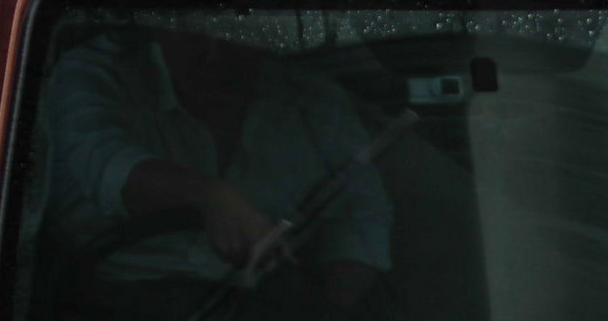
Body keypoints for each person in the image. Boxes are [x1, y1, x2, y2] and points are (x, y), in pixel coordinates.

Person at [35, 26, 393, 314]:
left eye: (232, 35)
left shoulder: (313, 101)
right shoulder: (96, 73)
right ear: (159, 25)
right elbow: (100, 161)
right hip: (113, 299)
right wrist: (209, 197)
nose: (213, 57)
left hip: (265, 303)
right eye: (194, 34)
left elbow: (360, 216)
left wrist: (329, 306)